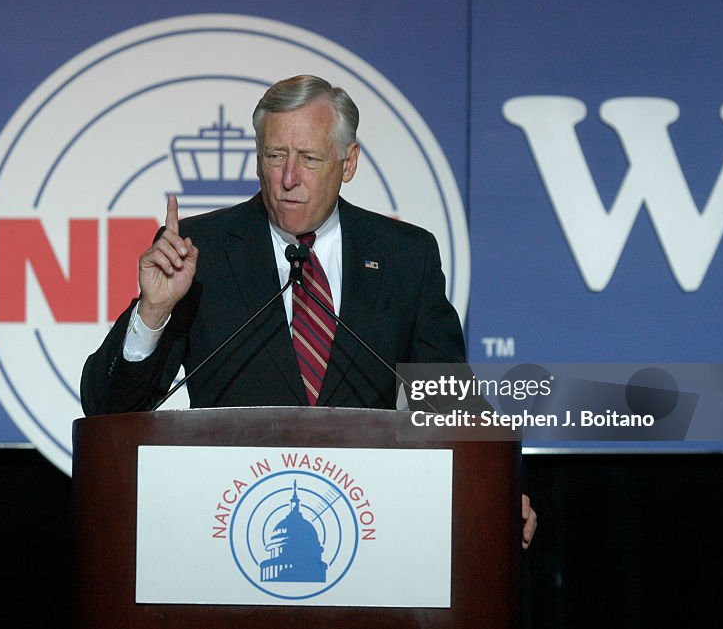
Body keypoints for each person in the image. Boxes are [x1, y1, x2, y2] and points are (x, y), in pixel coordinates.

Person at [80, 75, 536, 548]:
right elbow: (106, 410)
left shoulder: (406, 256)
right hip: (226, 529)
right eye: (275, 156)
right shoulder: (202, 252)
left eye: (310, 158)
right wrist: (153, 312)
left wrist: (496, 486)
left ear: (349, 162)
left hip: (369, 527)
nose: (289, 178)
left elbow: (447, 400)